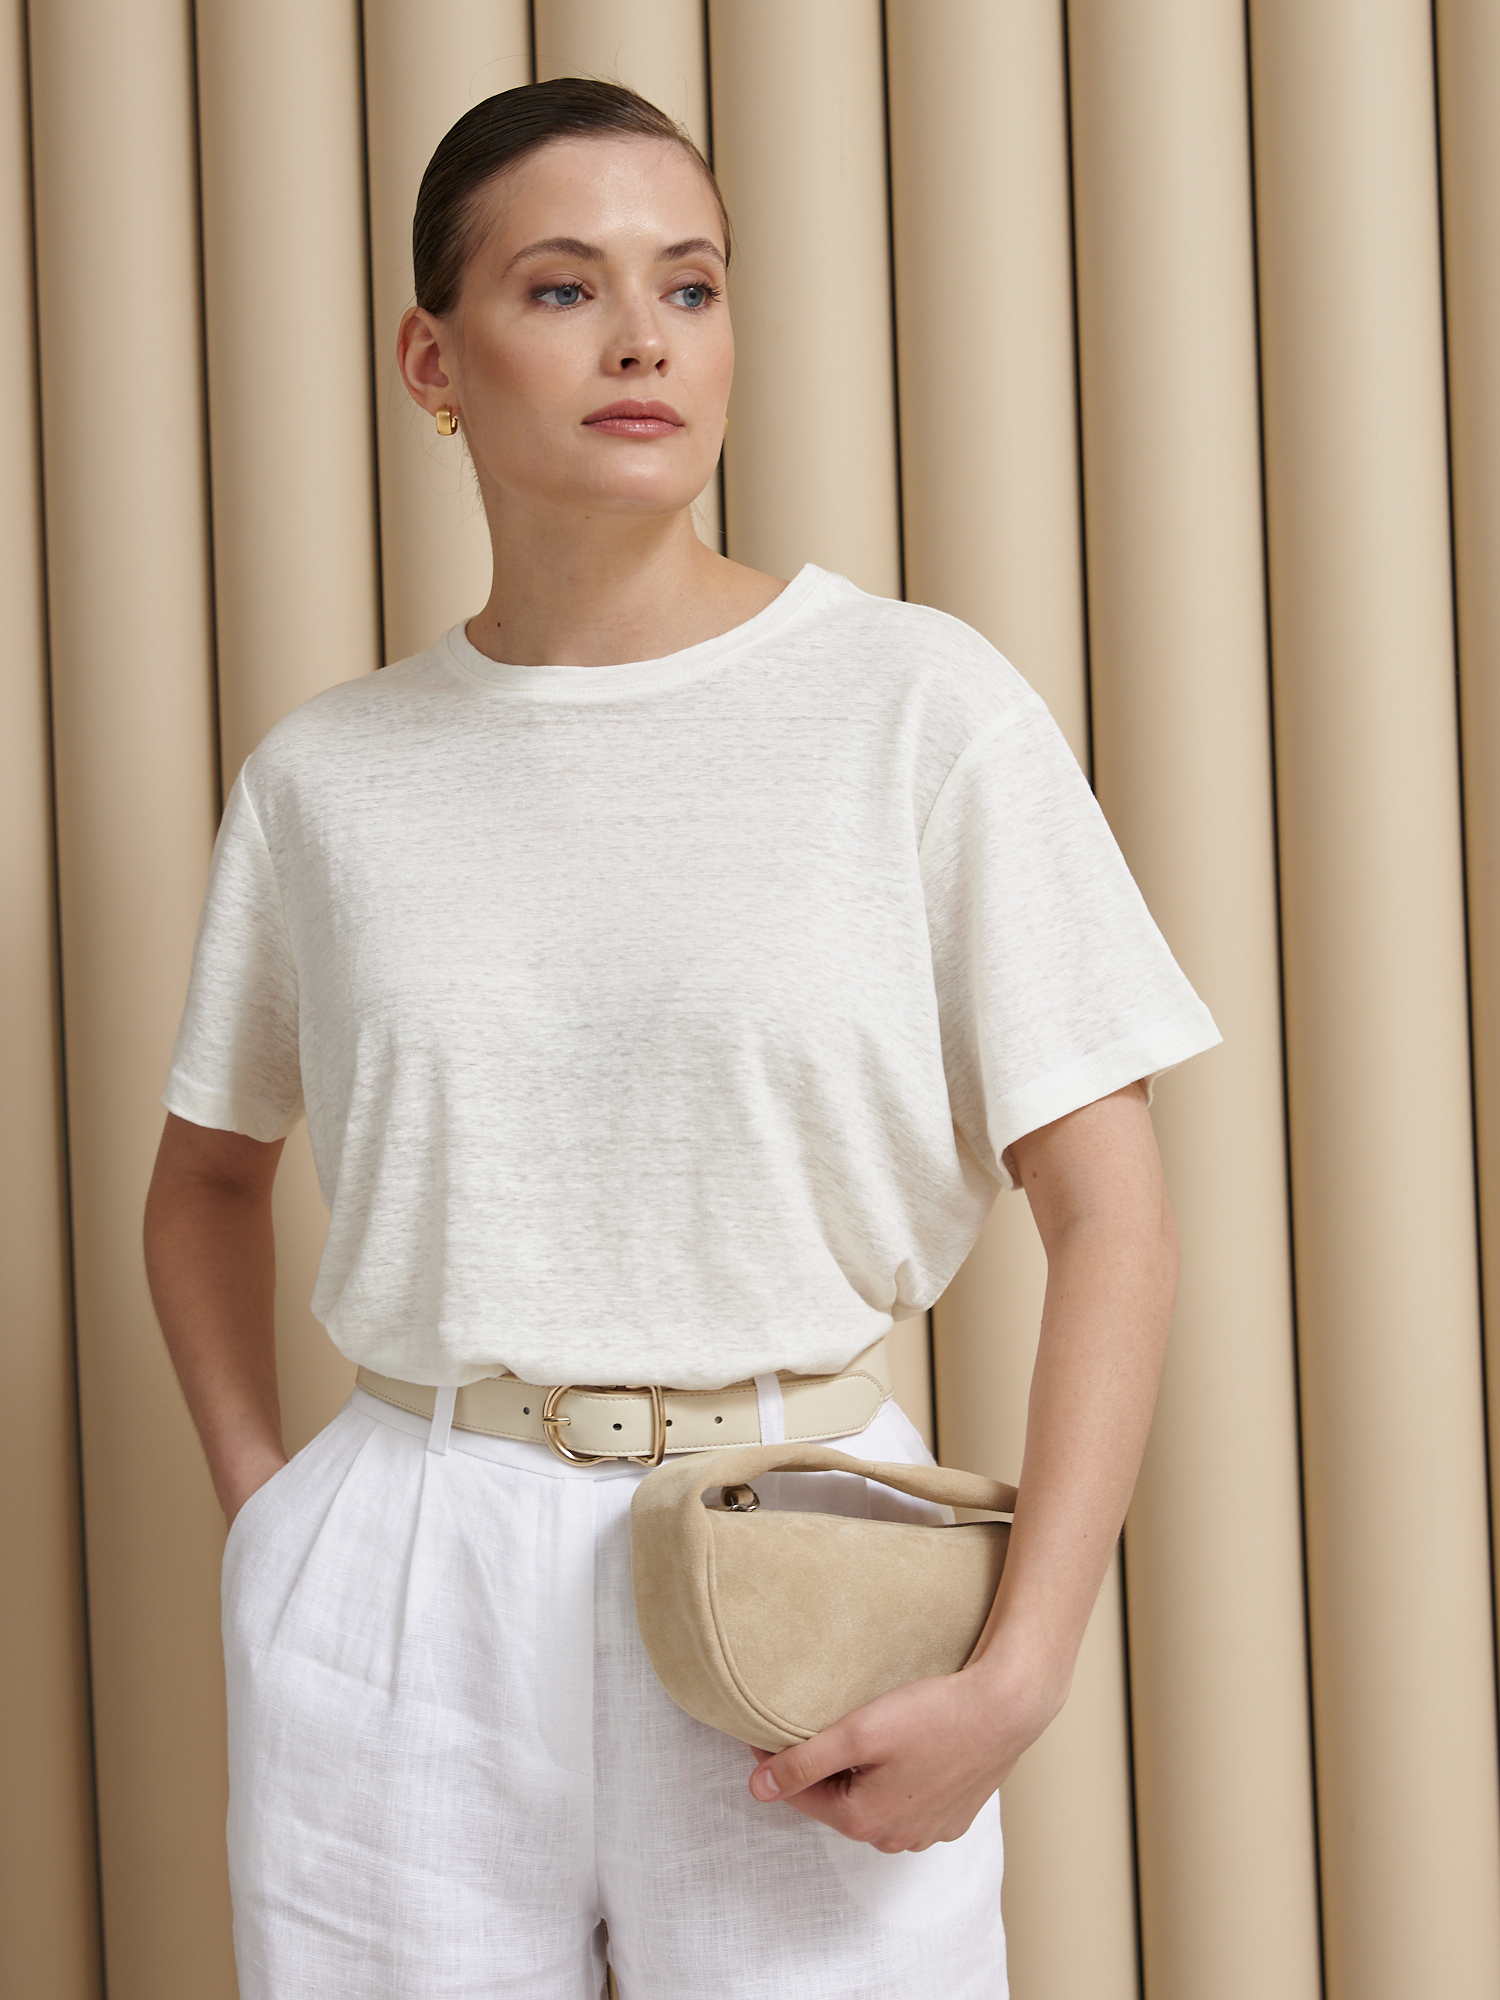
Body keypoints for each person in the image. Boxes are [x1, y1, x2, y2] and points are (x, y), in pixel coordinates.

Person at [144, 77, 1219, 2000]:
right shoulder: (326, 778)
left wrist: (1023, 1669)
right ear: (431, 360)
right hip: (409, 1574)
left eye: (692, 285)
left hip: (804, 1548)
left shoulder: (920, 707)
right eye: (564, 287)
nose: (644, 336)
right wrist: (273, 1529)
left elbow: (1115, 1215)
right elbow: (206, 1178)